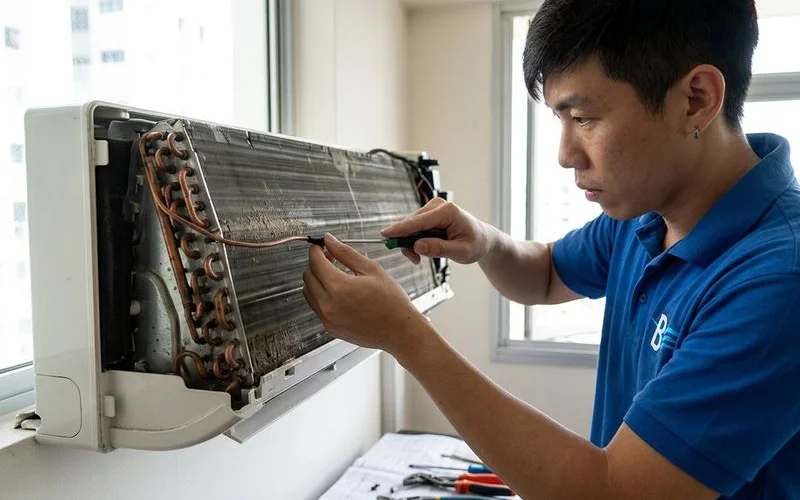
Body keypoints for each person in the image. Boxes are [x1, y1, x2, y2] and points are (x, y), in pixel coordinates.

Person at [302, 1, 799, 498]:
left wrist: (405, 337)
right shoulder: (647, 212)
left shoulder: (778, 281)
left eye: (583, 117)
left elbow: (614, 491)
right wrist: (484, 241)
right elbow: (544, 274)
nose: (565, 155)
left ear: (695, 99)